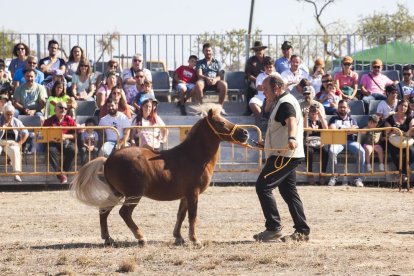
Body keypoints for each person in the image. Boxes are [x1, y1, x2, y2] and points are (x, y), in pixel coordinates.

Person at [253, 75, 310, 243]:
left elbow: (290, 120)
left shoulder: (285, 103)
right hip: (285, 153)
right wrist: (266, 143)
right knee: (288, 192)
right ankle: (302, 231)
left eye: (266, 90)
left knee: (263, 186)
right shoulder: (281, 101)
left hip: (284, 155)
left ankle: (273, 228)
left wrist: (292, 138)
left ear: (277, 88)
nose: (264, 93)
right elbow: (281, 127)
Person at [326, 100, 365, 187]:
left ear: (348, 108)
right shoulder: (333, 119)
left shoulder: (352, 119)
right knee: (332, 151)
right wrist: (348, 130)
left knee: (361, 151)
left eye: (344, 107)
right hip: (337, 141)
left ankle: (358, 178)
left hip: (351, 142)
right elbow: (332, 130)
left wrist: (339, 129)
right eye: (340, 107)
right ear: (338, 108)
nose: (342, 109)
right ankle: (334, 177)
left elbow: (355, 129)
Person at [42, 102, 77, 184]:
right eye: (61, 107)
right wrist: (52, 138)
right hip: (53, 142)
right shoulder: (48, 121)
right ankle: (61, 174)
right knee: (51, 150)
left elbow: (75, 135)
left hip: (66, 142)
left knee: (73, 150)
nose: (63, 110)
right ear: (55, 109)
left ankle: (63, 173)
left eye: (65, 108)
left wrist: (65, 136)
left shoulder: (70, 120)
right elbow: (43, 134)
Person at [384, 99, 414, 182]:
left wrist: (405, 133)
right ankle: (403, 173)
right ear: (398, 105)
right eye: (402, 105)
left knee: (412, 152)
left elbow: (412, 130)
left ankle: (402, 173)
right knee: (394, 152)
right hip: (392, 141)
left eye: (405, 106)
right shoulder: (390, 118)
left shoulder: (409, 118)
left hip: (406, 141)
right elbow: (387, 131)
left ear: (407, 108)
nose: (403, 107)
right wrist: (393, 132)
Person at [193, 43, 228, 112]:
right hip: (204, 82)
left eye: (209, 50)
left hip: (215, 82)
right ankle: (201, 109)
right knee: (198, 84)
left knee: (224, 84)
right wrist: (207, 78)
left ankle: (220, 108)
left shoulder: (217, 62)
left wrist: (215, 79)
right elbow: (199, 74)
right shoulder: (200, 62)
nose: (208, 52)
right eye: (206, 51)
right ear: (203, 52)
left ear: (212, 51)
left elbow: (221, 75)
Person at [0, 102, 29, 182]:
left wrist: (19, 143)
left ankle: (16, 174)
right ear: (3, 113)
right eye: (7, 114)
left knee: (15, 150)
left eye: (11, 114)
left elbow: (26, 133)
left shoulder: (16, 121)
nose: (10, 116)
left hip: (11, 143)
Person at [303, 104, 329, 185]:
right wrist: (306, 116)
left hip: (320, 142)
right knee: (309, 151)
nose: (314, 113)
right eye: (312, 112)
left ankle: (322, 174)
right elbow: (306, 130)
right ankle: (310, 174)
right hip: (309, 142)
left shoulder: (321, 120)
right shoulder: (307, 120)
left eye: (316, 112)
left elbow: (326, 129)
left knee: (325, 150)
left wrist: (321, 117)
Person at [244, 41, 267, 115]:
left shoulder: (267, 60)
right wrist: (256, 80)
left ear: (263, 50)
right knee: (251, 88)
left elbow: (272, 70)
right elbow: (248, 74)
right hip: (254, 80)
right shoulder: (251, 60)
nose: (258, 51)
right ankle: (249, 110)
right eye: (256, 50)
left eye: (260, 49)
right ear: (254, 51)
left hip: (267, 80)